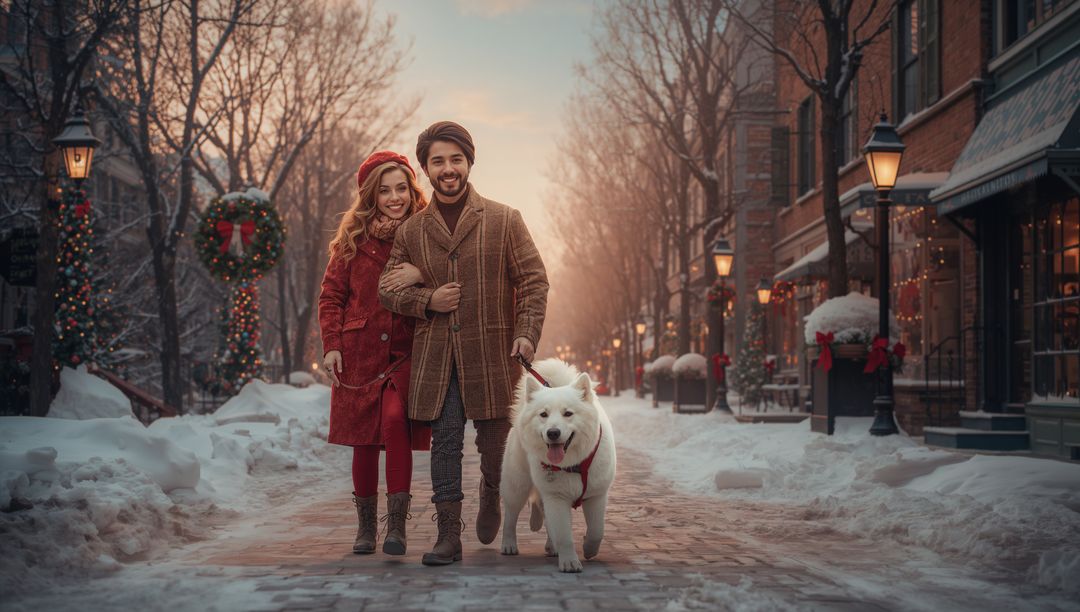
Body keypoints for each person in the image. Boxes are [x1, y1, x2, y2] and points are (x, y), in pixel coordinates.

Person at [379, 121, 549, 566]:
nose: (448, 168)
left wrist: (527, 334)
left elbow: (533, 280)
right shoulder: (411, 232)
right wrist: (426, 299)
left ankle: (492, 492)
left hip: (493, 353)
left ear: (469, 162)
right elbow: (387, 289)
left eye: (456, 159)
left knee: (496, 448)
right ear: (426, 168)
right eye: (438, 161)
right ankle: (447, 535)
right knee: (446, 442)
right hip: (437, 358)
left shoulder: (504, 219)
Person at [318, 150, 432, 556]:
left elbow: (446, 275)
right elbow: (331, 296)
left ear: (411, 190)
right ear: (371, 195)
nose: (395, 197)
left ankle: (396, 527)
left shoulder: (425, 232)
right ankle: (366, 526)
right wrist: (332, 345)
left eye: (401, 188)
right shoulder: (351, 241)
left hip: (407, 350)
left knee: (395, 421)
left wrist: (421, 273)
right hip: (359, 353)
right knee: (363, 440)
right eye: (385, 190)